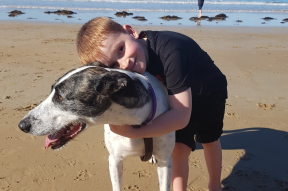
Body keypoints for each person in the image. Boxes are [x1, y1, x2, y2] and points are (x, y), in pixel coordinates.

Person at [76, 17, 227, 191]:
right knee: (178, 149)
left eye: (121, 49)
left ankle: (215, 185)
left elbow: (181, 116)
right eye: (114, 66)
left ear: (130, 31)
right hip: (176, 94)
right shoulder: (135, 65)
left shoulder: (172, 51)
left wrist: (134, 133)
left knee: (209, 139)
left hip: (207, 90)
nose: (125, 63)